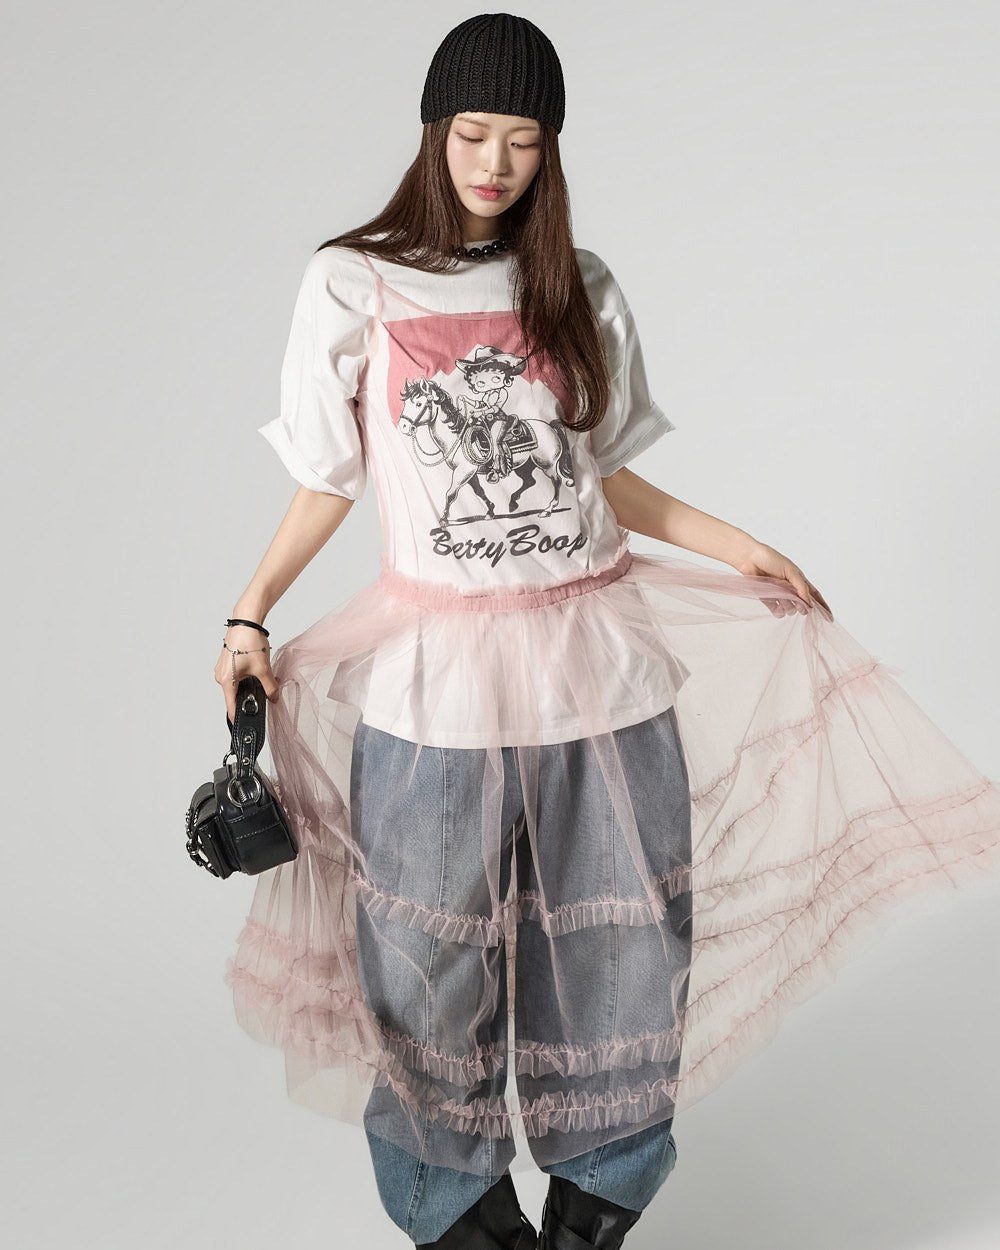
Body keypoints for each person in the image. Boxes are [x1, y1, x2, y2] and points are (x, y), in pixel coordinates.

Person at [217, 14, 1000, 1250]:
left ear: (551, 148)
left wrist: (737, 544)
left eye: (523, 138)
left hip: (599, 670)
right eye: (473, 132)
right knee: (425, 967)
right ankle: (459, 1214)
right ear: (434, 132)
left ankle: (592, 1212)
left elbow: (606, 476)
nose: (494, 162)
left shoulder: (579, 286)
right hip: (437, 683)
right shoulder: (353, 282)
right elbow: (328, 477)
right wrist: (249, 609)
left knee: (628, 953)